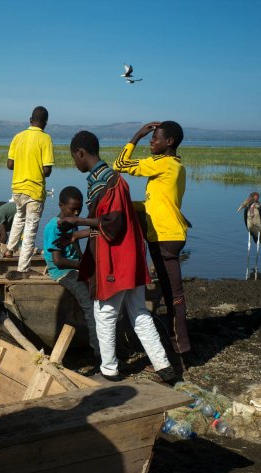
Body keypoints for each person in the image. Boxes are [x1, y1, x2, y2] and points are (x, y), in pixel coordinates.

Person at [59, 130, 176, 383]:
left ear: (80, 153)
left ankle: (109, 371)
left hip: (116, 259)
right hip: (131, 257)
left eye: (74, 158)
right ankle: (165, 367)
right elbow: (109, 221)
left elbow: (112, 223)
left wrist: (77, 219)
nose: (74, 163)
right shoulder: (112, 179)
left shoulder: (106, 183)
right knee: (139, 313)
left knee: (105, 313)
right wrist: (78, 232)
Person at [113, 121, 193, 371]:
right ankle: (174, 353)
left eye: (154, 138)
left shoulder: (164, 164)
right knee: (172, 297)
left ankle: (179, 357)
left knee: (175, 298)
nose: (151, 141)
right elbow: (157, 203)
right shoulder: (175, 165)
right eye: (150, 137)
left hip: (166, 238)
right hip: (168, 234)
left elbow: (120, 166)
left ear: (169, 142)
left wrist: (136, 135)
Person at [43, 186, 99, 358]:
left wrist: (84, 260)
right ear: (60, 205)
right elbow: (58, 260)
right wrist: (82, 266)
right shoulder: (55, 227)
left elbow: (76, 245)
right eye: (71, 209)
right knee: (90, 305)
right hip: (63, 271)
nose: (75, 213)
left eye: (78, 209)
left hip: (74, 266)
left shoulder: (71, 223)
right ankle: (99, 353)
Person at [3, 106, 54, 279]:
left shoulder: (18, 137)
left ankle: (9, 250)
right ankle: (23, 268)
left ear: (30, 120)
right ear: (45, 123)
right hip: (34, 190)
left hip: (17, 188)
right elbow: (47, 170)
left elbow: (10, 165)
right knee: (31, 228)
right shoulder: (45, 139)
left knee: (19, 217)